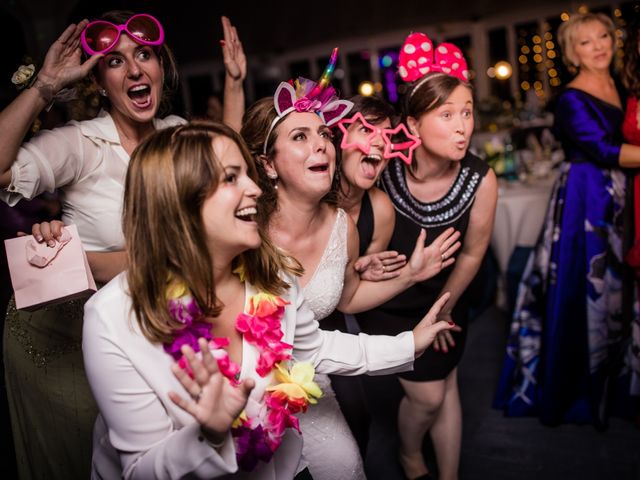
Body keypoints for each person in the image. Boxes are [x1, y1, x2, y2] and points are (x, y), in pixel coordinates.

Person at [82, 120, 457, 479]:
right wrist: (209, 436)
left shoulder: (272, 275)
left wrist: (409, 344)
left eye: (247, 173)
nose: (255, 189)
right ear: (177, 200)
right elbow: (139, 469)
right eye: (231, 178)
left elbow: (315, 349)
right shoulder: (113, 317)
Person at [239, 51, 461, 479]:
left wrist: (411, 273)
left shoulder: (344, 227)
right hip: (235, 382)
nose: (320, 142)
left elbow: (346, 300)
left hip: (308, 370)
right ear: (267, 165)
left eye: (322, 133)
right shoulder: (243, 226)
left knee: (347, 463)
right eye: (300, 137)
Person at [0, 11, 185, 478]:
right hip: (64, 338)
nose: (136, 70)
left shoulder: (178, 135)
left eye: (144, 55)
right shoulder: (82, 144)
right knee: (88, 458)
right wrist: (44, 85)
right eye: (116, 63)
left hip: (156, 330)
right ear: (99, 83)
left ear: (160, 67)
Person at [356, 33, 497, 480]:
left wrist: (445, 309)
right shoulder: (384, 168)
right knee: (429, 397)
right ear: (413, 126)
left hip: (447, 296)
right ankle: (410, 454)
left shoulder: (481, 178)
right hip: (389, 304)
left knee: (447, 382)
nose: (463, 127)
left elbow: (473, 254)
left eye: (468, 113)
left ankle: (449, 474)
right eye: (447, 114)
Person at [495, 12, 640, 430]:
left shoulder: (621, 84)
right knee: (586, 286)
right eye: (586, 42)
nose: (599, 46)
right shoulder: (571, 98)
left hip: (624, 195)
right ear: (571, 53)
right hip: (587, 199)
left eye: (603, 37)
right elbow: (604, 150)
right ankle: (576, 389)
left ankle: (617, 382)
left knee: (621, 290)